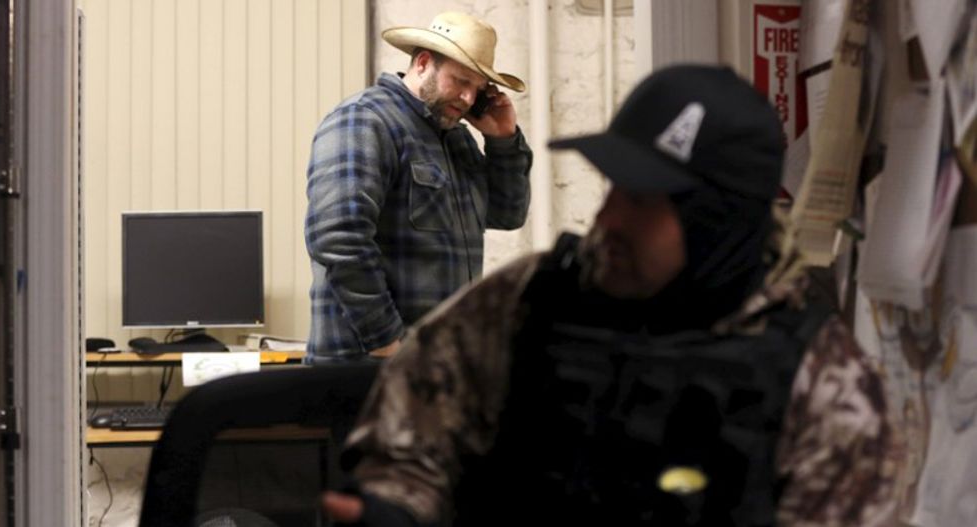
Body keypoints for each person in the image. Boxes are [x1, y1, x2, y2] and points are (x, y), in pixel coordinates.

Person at [321, 65, 898, 526]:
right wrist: (394, 509)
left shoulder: (820, 381)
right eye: (615, 187)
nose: (609, 218)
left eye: (645, 200)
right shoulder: (526, 300)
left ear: (716, 227)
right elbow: (411, 439)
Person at [304, 12, 532, 361]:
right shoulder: (364, 119)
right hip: (365, 367)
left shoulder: (456, 138)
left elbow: (507, 214)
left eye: (477, 88)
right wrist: (386, 343)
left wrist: (502, 139)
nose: (469, 98)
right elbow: (338, 238)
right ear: (424, 63)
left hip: (434, 366)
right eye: (460, 81)